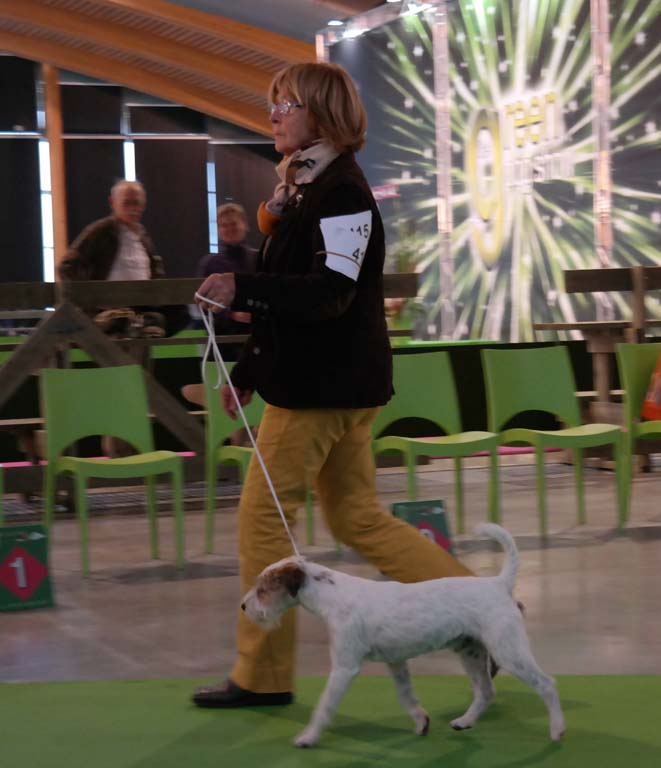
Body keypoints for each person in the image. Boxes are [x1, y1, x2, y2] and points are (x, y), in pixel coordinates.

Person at [191, 62, 475, 708]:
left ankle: (262, 676)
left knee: (263, 520)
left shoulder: (341, 193)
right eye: (273, 103)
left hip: (319, 391)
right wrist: (248, 373)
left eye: (285, 104)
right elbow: (293, 298)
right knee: (357, 518)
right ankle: (479, 610)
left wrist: (243, 286)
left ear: (319, 116)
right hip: (337, 383)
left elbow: (329, 294)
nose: (273, 114)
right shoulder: (307, 188)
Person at [59, 180, 169, 338]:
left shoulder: (143, 236)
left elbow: (156, 272)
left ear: (143, 205)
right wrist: (95, 299)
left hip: (140, 307)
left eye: (137, 203)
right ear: (113, 203)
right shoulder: (101, 231)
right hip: (108, 309)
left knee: (181, 311)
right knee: (118, 321)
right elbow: (67, 267)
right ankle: (131, 325)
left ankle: (140, 325)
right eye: (127, 203)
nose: (133, 209)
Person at [195, 203, 256, 335]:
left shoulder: (258, 258)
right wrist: (231, 314)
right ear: (218, 230)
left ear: (245, 225)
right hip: (223, 335)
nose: (229, 229)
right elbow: (202, 302)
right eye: (224, 225)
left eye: (233, 224)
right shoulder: (209, 264)